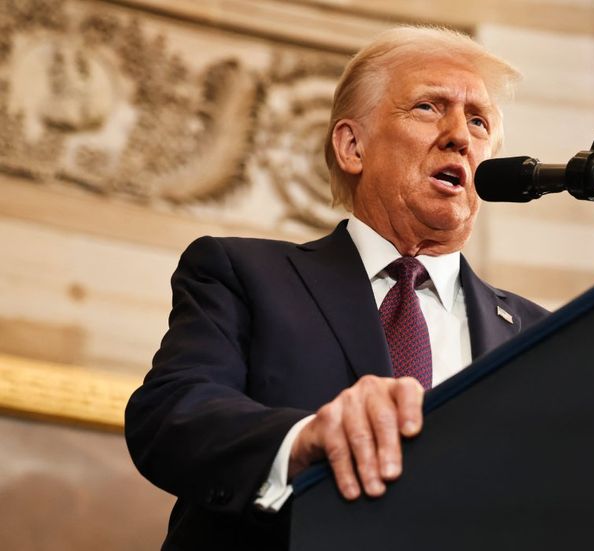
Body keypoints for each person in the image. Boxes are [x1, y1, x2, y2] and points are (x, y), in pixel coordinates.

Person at [125, 26, 549, 550]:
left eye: (478, 120)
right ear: (352, 146)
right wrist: (304, 441)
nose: (460, 135)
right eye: (428, 108)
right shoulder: (243, 273)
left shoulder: (539, 335)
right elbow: (173, 413)